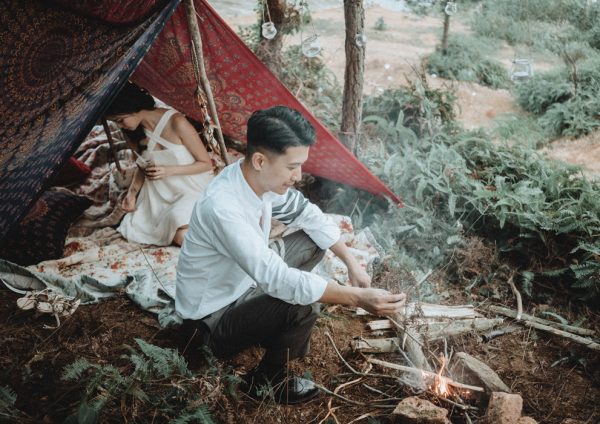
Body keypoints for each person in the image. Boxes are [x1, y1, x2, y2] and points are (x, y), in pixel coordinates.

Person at [175, 106, 406, 404]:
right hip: (209, 321)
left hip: (244, 286)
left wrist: (352, 263)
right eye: (292, 166)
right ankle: (265, 382)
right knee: (303, 306)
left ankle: (270, 329)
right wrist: (358, 298)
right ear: (260, 160)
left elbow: (309, 215)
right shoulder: (223, 207)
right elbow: (277, 279)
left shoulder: (255, 179)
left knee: (314, 241)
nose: (298, 176)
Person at [105, 82, 214, 246]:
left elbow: (206, 164)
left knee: (178, 224)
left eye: (120, 120)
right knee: (173, 234)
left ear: (133, 107)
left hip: (190, 187)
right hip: (158, 194)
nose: (120, 126)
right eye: (116, 122)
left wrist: (170, 170)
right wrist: (132, 194)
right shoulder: (131, 132)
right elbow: (141, 166)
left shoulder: (177, 123)